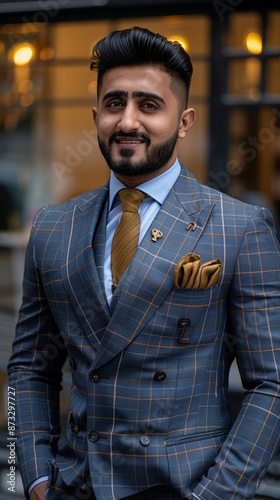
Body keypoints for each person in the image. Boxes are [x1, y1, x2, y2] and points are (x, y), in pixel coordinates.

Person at [8, 26, 280, 500]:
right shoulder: (53, 226)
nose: (127, 121)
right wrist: (30, 473)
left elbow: (272, 384)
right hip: (74, 486)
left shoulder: (239, 227)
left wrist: (218, 494)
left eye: (149, 105)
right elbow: (28, 369)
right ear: (96, 115)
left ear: (185, 120)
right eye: (114, 104)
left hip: (184, 487)